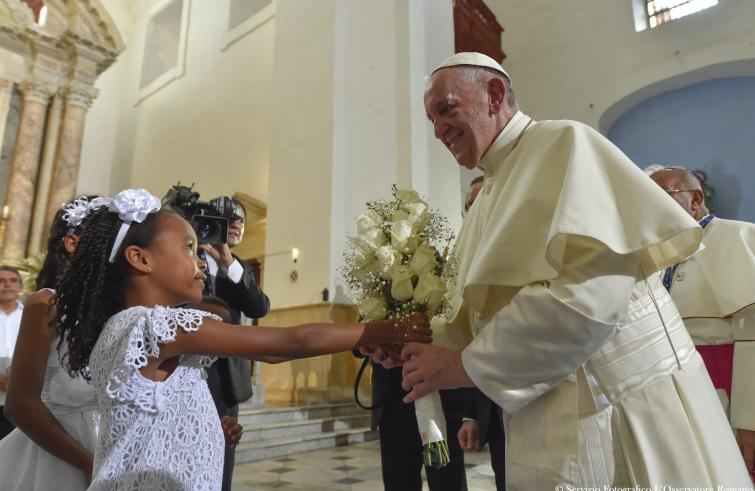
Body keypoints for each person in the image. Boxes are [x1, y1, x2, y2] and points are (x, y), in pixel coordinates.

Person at [387, 52, 751, 489]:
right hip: (552, 413)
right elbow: (479, 311)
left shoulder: (564, 145)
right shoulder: (485, 197)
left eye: (446, 109)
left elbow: (587, 302)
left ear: (494, 95)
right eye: (431, 119)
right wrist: (420, 347)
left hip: (625, 411)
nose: (438, 129)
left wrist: (462, 365)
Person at [52, 188, 431, 490]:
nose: (201, 260)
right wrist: (380, 329)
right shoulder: (157, 326)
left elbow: (153, 415)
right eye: (187, 248)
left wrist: (205, 426)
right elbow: (289, 343)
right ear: (140, 258)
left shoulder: (123, 327)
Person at [649, 165, 755, 476]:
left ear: (695, 199)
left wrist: (749, 421)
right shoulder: (660, 251)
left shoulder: (737, 236)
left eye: (660, 197)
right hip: (677, 387)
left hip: (727, 382)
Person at [0, 202, 101, 489]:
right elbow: (20, 404)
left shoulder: (123, 309)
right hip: (58, 453)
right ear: (72, 243)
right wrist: (87, 462)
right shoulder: (47, 304)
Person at [196, 198, 268, 491]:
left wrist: (227, 260)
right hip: (190, 371)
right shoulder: (186, 256)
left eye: (241, 219)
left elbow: (258, 307)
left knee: (222, 465)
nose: (237, 224)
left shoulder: (236, 268)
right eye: (229, 218)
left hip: (227, 380)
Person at [457, 177, 506, 491]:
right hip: (492, 401)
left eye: (477, 204)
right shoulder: (464, 258)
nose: (472, 213)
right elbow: (471, 337)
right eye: (467, 208)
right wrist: (471, 416)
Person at [0, 265, 23, 438]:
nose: (7, 285)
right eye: (1, 281)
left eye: (12, 281)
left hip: (20, 399)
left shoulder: (32, 315)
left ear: (20, 288)